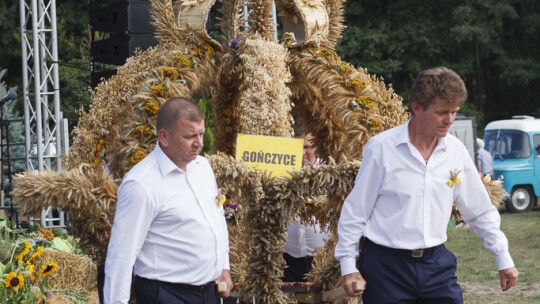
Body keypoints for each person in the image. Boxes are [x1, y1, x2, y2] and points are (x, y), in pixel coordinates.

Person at [335, 67, 519, 303]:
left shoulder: (455, 150)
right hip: (385, 268)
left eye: (454, 112)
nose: (450, 120)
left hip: (436, 266)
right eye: (442, 112)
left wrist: (503, 257)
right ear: (417, 108)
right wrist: (348, 266)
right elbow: (356, 211)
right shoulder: (381, 148)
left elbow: (479, 209)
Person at [104, 97, 233, 304]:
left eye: (200, 133)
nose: (199, 143)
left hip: (208, 293)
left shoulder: (203, 167)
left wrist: (223, 266)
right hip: (165, 295)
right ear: (164, 137)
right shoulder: (141, 184)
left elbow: (216, 218)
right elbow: (121, 257)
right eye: (190, 136)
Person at [283, 125, 329, 282]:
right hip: (287, 260)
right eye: (297, 147)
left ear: (317, 146)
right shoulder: (281, 174)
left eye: (307, 147)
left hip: (321, 260)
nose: (302, 153)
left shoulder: (330, 174)